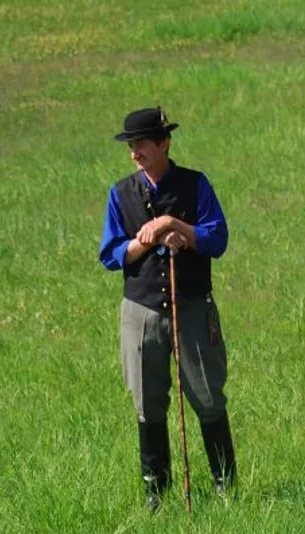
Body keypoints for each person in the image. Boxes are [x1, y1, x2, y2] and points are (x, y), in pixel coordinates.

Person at [98, 107, 236, 511]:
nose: (135, 152)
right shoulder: (120, 193)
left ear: (164, 143)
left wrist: (180, 229)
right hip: (140, 311)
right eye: (131, 146)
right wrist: (150, 239)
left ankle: (225, 487)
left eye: (141, 144)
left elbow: (218, 238)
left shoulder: (195, 184)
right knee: (147, 401)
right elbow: (111, 254)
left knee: (208, 396)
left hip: (192, 306)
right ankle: (156, 494)